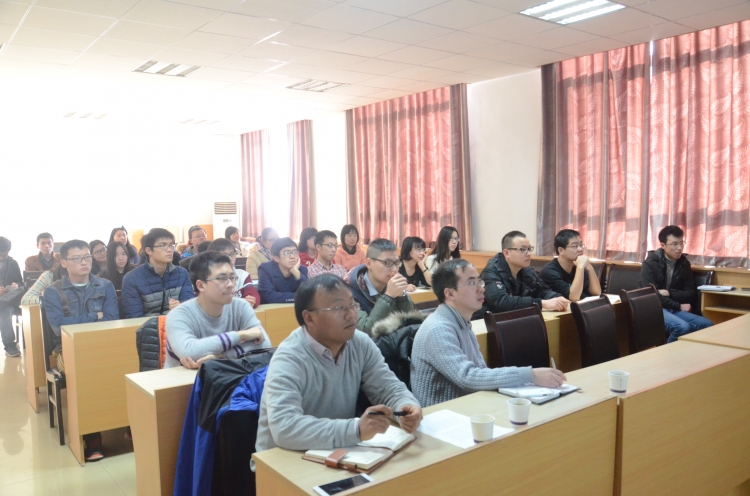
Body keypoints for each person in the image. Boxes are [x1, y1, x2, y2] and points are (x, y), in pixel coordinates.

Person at [255, 275, 422, 453]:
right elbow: (284, 427)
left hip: (336, 450)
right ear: (309, 318)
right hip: (283, 458)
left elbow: (387, 388)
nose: (351, 314)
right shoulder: (289, 357)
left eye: (352, 305)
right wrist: (355, 430)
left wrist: (406, 405)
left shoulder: (360, 343)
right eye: (338, 308)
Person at [411, 259, 567, 407]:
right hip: (444, 415)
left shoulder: (462, 322)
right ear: (450, 294)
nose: (481, 289)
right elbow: (467, 377)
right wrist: (530, 375)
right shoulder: (438, 328)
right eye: (471, 283)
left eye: (479, 281)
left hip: (468, 406)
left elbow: (481, 371)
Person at [42, 239, 118, 461]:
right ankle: (92, 437)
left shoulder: (105, 285)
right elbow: (59, 326)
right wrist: (95, 316)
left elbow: (112, 319)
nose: (84, 262)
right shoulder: (53, 292)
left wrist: (86, 320)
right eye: (77, 258)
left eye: (87, 257)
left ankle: (128, 422)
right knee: (88, 372)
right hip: (67, 349)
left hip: (103, 344)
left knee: (129, 364)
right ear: (64, 262)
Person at [165, 251, 270, 369]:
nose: (230, 284)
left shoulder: (241, 306)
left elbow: (264, 344)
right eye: (221, 278)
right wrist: (241, 335)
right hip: (183, 378)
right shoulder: (178, 314)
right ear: (200, 285)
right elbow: (189, 352)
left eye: (232, 277)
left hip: (227, 375)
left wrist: (222, 357)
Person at [640, 225, 713, 343]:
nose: (679, 248)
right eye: (674, 244)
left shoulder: (684, 264)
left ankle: (689, 354)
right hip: (654, 308)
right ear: (663, 245)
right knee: (682, 328)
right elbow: (651, 296)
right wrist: (678, 306)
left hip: (672, 307)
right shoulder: (650, 264)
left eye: (681, 243)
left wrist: (669, 293)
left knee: (707, 324)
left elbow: (691, 294)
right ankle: (667, 355)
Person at [476, 231, 569, 318]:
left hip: (514, 318)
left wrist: (558, 298)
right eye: (523, 249)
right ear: (507, 253)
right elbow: (502, 301)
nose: (528, 254)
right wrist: (542, 303)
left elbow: (542, 291)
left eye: (529, 249)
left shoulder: (527, 270)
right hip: (485, 322)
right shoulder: (491, 272)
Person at [347, 238, 415, 336]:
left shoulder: (391, 285)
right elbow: (366, 332)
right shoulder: (348, 292)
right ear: (369, 263)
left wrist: (402, 296)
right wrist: (388, 297)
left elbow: (410, 323)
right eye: (388, 263)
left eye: (397, 263)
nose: (395, 269)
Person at [121, 228, 194, 318]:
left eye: (171, 245)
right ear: (148, 250)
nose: (169, 250)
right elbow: (134, 316)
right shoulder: (132, 278)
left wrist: (181, 307)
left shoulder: (182, 274)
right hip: (146, 325)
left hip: (176, 322)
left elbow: (189, 306)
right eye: (163, 245)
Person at [540, 229, 602, 302]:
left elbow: (596, 292)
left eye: (581, 245)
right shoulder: (549, 272)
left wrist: (589, 267)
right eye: (575, 246)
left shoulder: (578, 266)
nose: (580, 249)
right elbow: (573, 297)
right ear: (561, 250)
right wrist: (580, 267)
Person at [207, 238, 261, 308]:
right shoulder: (207, 277)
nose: (230, 259)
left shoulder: (243, 275)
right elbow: (208, 303)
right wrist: (238, 303)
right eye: (224, 255)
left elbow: (254, 297)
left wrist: (251, 301)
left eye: (232, 254)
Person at [257, 238, 308, 303]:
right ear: (276, 258)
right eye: (286, 253)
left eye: (295, 252)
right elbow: (270, 296)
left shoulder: (302, 270)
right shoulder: (266, 269)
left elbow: (310, 294)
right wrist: (300, 297)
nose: (292, 256)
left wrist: (296, 272)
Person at [0, 237, 24, 357]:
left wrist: (16, 285)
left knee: (23, 289)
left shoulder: (12, 263)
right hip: (7, 305)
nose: (1, 257)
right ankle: (10, 345)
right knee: (5, 310)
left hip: (11, 297)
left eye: (4, 255)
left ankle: (2, 302)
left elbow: (21, 283)